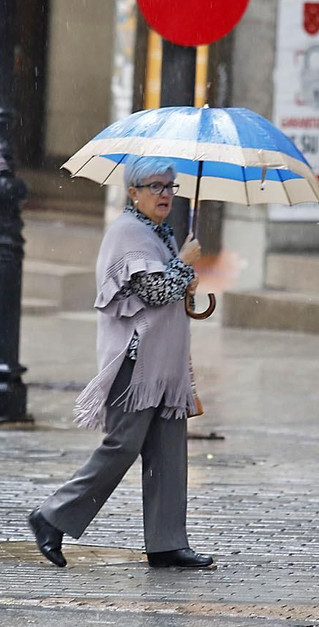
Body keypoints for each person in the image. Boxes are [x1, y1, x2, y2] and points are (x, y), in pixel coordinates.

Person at [27, 157, 214, 569]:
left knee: (167, 451)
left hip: (164, 366)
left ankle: (167, 543)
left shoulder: (160, 233)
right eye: (155, 186)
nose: (165, 194)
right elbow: (154, 292)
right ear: (133, 192)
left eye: (170, 186)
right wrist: (183, 264)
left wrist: (184, 275)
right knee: (122, 445)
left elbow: (167, 289)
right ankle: (51, 516)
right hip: (136, 362)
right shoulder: (128, 232)